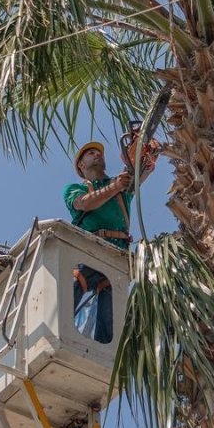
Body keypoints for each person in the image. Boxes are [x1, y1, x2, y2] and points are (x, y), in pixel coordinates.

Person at [63, 140, 153, 344]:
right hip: (90, 252)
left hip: (116, 257)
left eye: (99, 153)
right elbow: (84, 204)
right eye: (91, 154)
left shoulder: (121, 186)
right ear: (81, 166)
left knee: (110, 320)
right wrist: (116, 186)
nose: (97, 155)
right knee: (72, 289)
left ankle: (104, 358)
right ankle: (55, 334)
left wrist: (146, 152)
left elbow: (142, 171)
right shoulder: (76, 188)